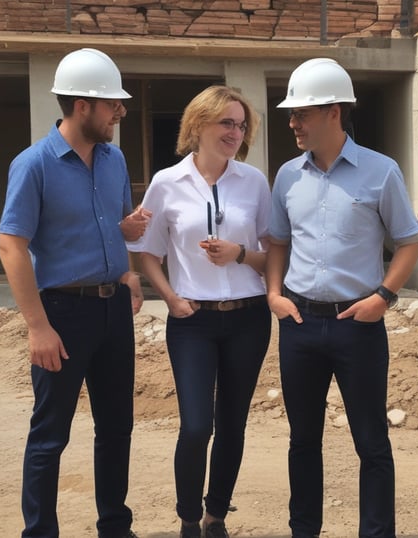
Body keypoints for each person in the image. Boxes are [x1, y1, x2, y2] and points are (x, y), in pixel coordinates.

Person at [0, 48, 151, 538]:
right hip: (61, 314)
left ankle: (114, 527)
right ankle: (39, 532)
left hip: (113, 312)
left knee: (116, 429)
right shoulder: (34, 165)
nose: (119, 114)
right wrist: (37, 326)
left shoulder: (114, 159)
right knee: (50, 435)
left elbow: (116, 227)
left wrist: (127, 268)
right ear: (83, 105)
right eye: (113, 106)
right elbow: (11, 245)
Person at [266, 58, 418, 538]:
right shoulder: (287, 176)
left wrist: (384, 297)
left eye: (302, 113)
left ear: (334, 112)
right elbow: (277, 242)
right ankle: (303, 531)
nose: (292, 122)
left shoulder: (381, 171)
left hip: (360, 325)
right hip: (299, 325)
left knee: (372, 443)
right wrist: (274, 294)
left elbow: (409, 242)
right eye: (291, 114)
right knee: (302, 442)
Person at [129, 86, 271, 538]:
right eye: (226, 123)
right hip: (191, 321)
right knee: (195, 425)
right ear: (198, 125)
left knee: (232, 424)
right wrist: (169, 297)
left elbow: (274, 255)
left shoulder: (254, 182)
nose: (236, 132)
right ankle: (189, 517)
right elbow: (147, 250)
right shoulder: (166, 183)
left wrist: (240, 253)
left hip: (248, 318)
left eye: (241, 124)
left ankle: (216, 518)